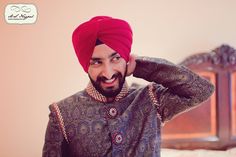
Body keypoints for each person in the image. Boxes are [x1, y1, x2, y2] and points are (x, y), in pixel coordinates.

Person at [42, 16, 214, 157]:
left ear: (127, 58)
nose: (108, 73)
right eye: (96, 62)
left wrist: (141, 66)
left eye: (115, 58)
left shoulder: (152, 99)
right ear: (85, 65)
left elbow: (201, 90)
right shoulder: (62, 114)